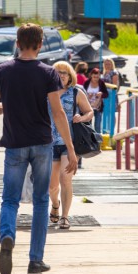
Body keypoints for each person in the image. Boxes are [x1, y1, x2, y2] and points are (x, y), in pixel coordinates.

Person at [0, 23, 77, 274]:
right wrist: (70, 148)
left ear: (17, 43)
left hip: (14, 144)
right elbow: (58, 113)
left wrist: (8, 107)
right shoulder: (48, 73)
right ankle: (36, 260)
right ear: (40, 45)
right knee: (41, 201)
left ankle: (7, 236)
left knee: (10, 199)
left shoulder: (2, 71)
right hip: (42, 144)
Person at [48, 62, 94, 229]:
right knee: (52, 185)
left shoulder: (76, 92)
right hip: (49, 143)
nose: (61, 75)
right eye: (57, 72)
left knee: (65, 179)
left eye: (64, 73)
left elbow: (89, 111)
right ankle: (55, 205)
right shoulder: (46, 92)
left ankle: (65, 216)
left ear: (70, 76)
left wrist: (81, 117)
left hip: (70, 143)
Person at [84, 68, 109, 134]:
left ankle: (97, 141)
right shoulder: (87, 82)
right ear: (91, 75)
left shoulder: (101, 83)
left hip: (98, 108)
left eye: (97, 77)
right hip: (88, 107)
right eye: (94, 77)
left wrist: (101, 94)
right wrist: (88, 96)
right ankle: (89, 140)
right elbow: (82, 93)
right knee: (88, 125)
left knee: (97, 126)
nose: (96, 78)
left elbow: (106, 94)